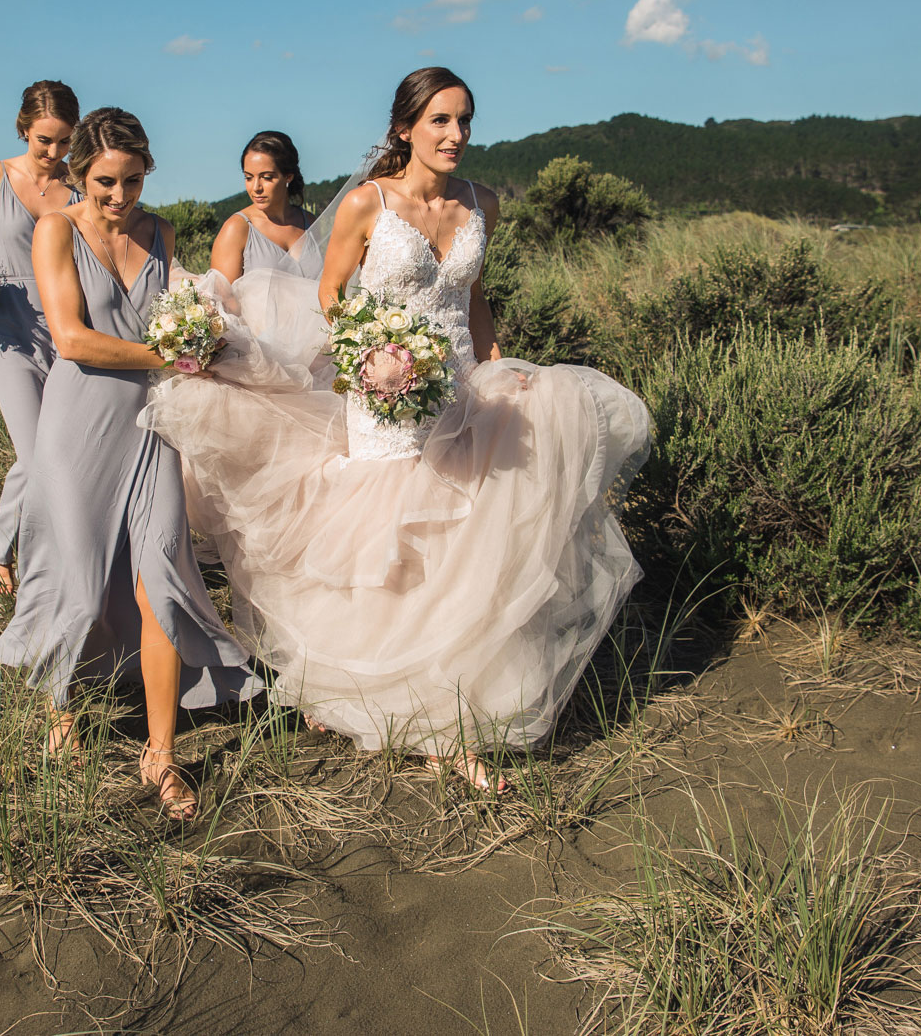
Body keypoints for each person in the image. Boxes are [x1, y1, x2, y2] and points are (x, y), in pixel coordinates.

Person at [142, 68, 653, 792]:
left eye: (465, 120)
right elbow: (330, 295)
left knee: (465, 543)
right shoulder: (366, 204)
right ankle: (393, 699)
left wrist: (501, 365)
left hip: (462, 392)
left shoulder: (484, 204)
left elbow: (473, 299)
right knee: (396, 544)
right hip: (383, 396)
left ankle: (454, 709)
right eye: (441, 120)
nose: (457, 135)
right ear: (405, 127)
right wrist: (367, 358)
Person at [0, 107, 260, 820]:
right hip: (79, 424)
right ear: (80, 174)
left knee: (162, 584)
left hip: (153, 428)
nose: (120, 196)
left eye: (133, 180)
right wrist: (170, 355)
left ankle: (161, 755)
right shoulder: (57, 230)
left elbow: (176, 311)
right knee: (77, 587)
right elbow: (73, 339)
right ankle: (62, 713)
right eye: (106, 181)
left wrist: (203, 340)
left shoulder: (162, 231)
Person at [0, 80, 81, 599]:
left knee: (54, 447)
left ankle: (51, 553)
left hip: (69, 329)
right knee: (34, 456)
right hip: (10, 327)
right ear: (24, 129)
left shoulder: (80, 187)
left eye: (64, 142)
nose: (53, 153)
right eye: (43, 141)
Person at [210, 131, 318, 283]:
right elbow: (221, 298)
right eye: (248, 177)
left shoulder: (311, 223)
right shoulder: (236, 229)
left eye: (267, 177)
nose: (256, 188)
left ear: (288, 176)